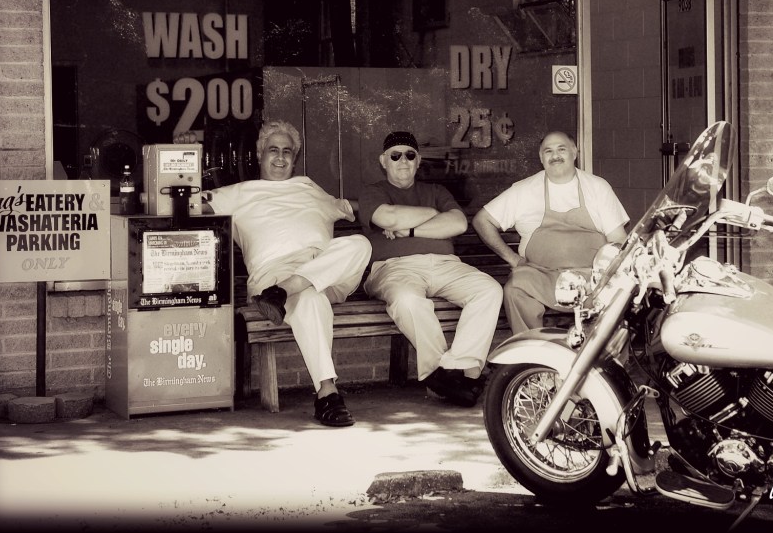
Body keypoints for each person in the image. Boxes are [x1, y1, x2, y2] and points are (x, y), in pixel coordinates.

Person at [191, 120, 371, 427]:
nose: (280, 157)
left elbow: (366, 210)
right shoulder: (238, 193)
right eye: (273, 150)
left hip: (322, 275)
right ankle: (328, 393)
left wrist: (399, 222)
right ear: (260, 153)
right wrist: (184, 154)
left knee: (360, 244)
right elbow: (184, 203)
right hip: (272, 276)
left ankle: (287, 290)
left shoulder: (311, 189)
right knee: (310, 298)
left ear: (295, 158)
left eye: (287, 151)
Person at [358, 131, 503, 407]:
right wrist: (435, 215)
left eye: (410, 155)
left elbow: (459, 223)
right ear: (383, 160)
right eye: (395, 155)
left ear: (418, 160)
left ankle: (457, 370)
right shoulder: (373, 191)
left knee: (489, 290)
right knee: (408, 301)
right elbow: (385, 216)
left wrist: (408, 229)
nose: (403, 161)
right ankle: (445, 375)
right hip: (395, 268)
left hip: (446, 266)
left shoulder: (436, 191)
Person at [472, 131, 629, 334]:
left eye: (561, 149)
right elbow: (482, 220)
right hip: (541, 275)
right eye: (548, 151)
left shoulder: (598, 187)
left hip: (591, 276)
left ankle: (602, 360)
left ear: (574, 152)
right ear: (541, 158)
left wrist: (611, 274)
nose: (555, 155)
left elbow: (618, 239)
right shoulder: (524, 190)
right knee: (516, 288)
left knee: (619, 292)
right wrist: (513, 259)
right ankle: (532, 354)